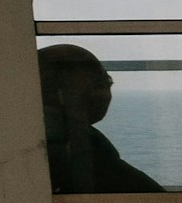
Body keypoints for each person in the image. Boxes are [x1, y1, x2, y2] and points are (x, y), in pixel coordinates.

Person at [40, 43, 162, 195]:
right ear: (59, 92)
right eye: (99, 84)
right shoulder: (79, 146)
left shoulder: (44, 135)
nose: (104, 93)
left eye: (107, 82)